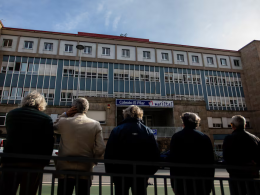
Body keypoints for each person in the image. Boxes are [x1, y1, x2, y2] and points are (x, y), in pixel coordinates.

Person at [1, 91, 54, 195]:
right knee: (29, 191)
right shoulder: (45, 118)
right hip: (33, 162)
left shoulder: (11, 114)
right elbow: (48, 142)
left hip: (10, 160)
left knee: (6, 190)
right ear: (41, 103)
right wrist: (44, 161)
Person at [54, 98, 105, 195]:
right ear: (87, 109)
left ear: (73, 108)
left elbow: (52, 127)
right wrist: (94, 161)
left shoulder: (64, 122)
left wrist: (65, 114)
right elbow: (100, 147)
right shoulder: (95, 124)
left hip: (65, 168)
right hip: (85, 168)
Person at [104, 105, 160, 195]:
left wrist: (111, 172)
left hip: (120, 173)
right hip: (141, 173)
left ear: (125, 115)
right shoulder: (147, 131)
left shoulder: (117, 130)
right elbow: (155, 154)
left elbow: (109, 152)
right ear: (140, 115)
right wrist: (148, 173)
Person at [169, 112, 215, 195]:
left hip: (181, 181)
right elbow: (210, 161)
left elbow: (173, 161)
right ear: (196, 123)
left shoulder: (176, 137)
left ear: (183, 123)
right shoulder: (204, 138)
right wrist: (209, 183)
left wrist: (173, 183)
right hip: (201, 181)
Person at [223, 115, 260, 195]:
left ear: (232, 125)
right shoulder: (255, 138)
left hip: (237, 176)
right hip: (253, 175)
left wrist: (232, 170)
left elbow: (227, 157)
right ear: (245, 125)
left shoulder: (229, 138)